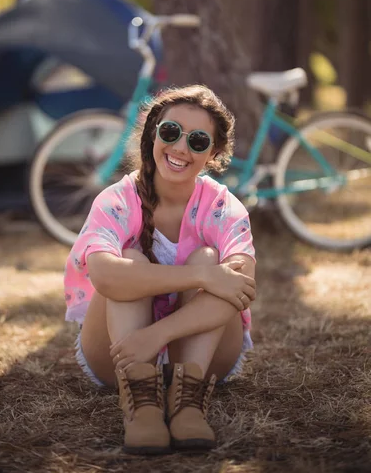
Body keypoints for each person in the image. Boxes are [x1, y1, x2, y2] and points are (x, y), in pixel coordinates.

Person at [64, 84, 256, 455]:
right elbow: (104, 275)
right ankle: (143, 405)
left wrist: (157, 334)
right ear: (154, 133)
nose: (181, 148)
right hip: (120, 354)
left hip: (206, 357)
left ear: (213, 153)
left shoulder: (223, 207)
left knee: (206, 256)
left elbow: (241, 288)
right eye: (171, 132)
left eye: (198, 141)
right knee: (131, 259)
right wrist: (201, 277)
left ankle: (188, 403)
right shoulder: (117, 199)